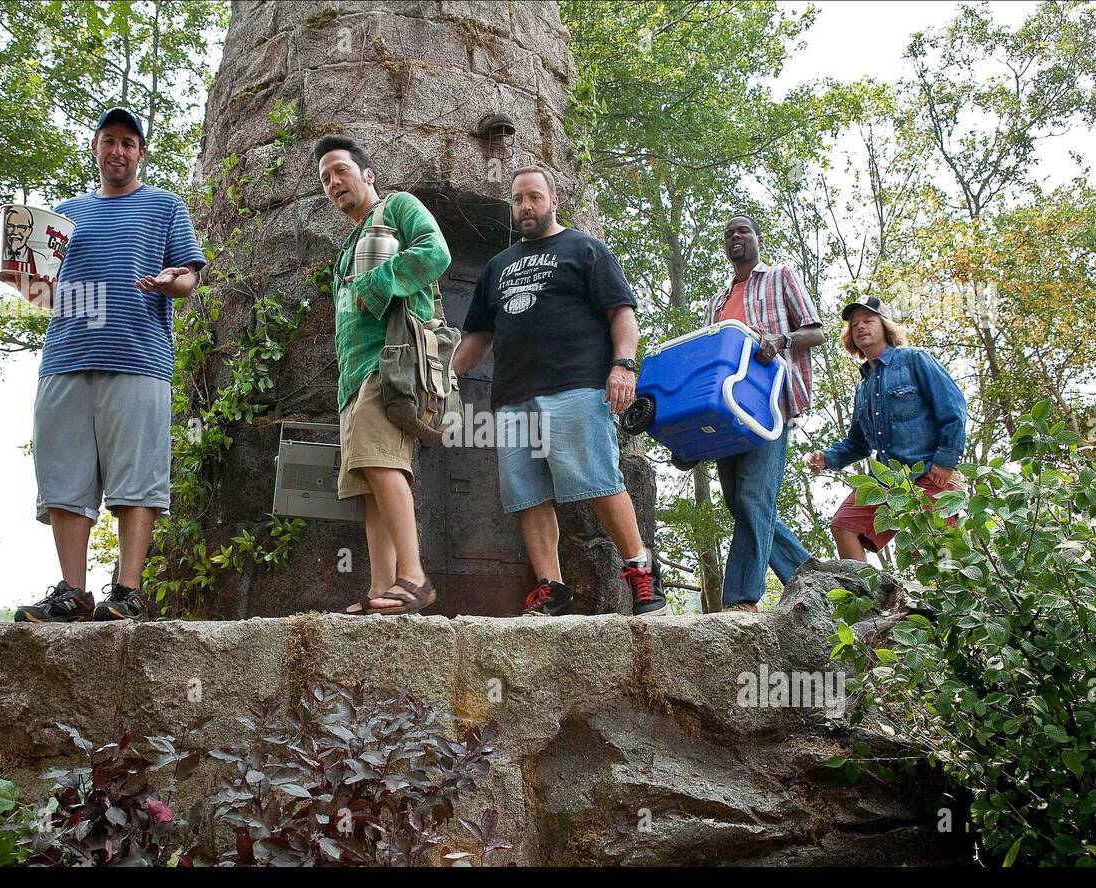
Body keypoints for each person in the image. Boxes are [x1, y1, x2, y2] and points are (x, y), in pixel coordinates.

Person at [13, 107, 204, 623]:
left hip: (138, 357)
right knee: (64, 476)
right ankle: (73, 592)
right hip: (65, 356)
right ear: (95, 148)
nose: (118, 151)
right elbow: (36, 293)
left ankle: (127, 591)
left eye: (128, 142)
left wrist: (171, 282)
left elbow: (190, 278)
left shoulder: (165, 207)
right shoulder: (63, 215)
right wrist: (20, 273)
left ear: (141, 153)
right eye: (109, 141)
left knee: (136, 476)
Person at [453, 164, 667, 617]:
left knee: (598, 480)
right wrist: (445, 373)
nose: (525, 207)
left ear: (552, 199)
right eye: (517, 200)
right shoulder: (497, 266)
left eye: (533, 197)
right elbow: (477, 336)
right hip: (512, 396)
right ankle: (553, 588)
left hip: (575, 384)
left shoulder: (585, 250)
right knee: (527, 494)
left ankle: (641, 572)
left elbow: (621, 314)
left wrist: (624, 366)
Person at [316, 134, 452, 615]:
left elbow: (436, 253)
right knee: (368, 481)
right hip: (353, 378)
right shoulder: (346, 245)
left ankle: (414, 579)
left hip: (391, 359)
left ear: (368, 174)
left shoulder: (399, 207)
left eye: (341, 171)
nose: (334, 183)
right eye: (326, 178)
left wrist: (375, 282)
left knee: (385, 466)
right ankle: (381, 590)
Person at [704, 215, 822, 612]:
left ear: (758, 239)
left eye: (743, 230)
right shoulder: (716, 302)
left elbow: (815, 331)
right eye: (728, 233)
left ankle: (741, 599)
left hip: (770, 406)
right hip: (728, 414)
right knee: (743, 504)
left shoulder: (781, 277)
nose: (735, 236)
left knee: (755, 499)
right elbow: (710, 358)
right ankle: (813, 579)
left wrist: (781, 339)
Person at [807, 295, 967, 560]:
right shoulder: (864, 387)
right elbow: (859, 443)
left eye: (868, 320)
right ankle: (864, 599)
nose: (860, 327)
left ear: (885, 327)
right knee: (844, 526)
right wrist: (827, 458)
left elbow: (953, 409)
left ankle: (947, 600)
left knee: (933, 555)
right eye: (854, 324)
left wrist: (946, 460)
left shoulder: (914, 360)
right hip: (887, 480)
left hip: (930, 472)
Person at [1, 205, 39, 274]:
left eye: (22, 227)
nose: (15, 232)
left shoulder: (39, 259)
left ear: (29, 231)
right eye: (10, 226)